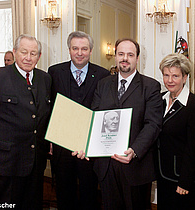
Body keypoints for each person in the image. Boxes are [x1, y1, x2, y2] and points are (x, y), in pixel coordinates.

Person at [76, 38, 163, 210]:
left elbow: (153, 124)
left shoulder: (150, 86)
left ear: (137, 58)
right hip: (106, 166)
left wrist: (134, 150)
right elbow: (95, 118)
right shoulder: (103, 84)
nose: (125, 58)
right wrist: (85, 143)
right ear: (115, 57)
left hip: (135, 166)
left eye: (130, 55)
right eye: (121, 54)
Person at [0, 34, 51, 209]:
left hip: (36, 161)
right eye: (24, 52)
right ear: (15, 52)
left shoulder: (45, 79)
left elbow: (46, 116)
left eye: (33, 53)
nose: (28, 57)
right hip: (7, 162)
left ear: (39, 56)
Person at [48, 31, 110, 210]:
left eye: (84, 48)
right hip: (61, 144)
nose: (79, 53)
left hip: (89, 147)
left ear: (91, 51)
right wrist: (50, 138)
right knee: (63, 191)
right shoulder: (54, 72)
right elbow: (49, 107)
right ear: (69, 50)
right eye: (75, 48)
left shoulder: (103, 75)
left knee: (89, 192)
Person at [156, 53, 195, 209]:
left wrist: (185, 181)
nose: (170, 80)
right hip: (163, 173)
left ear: (185, 77)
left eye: (175, 76)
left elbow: (194, 148)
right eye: (166, 75)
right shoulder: (160, 99)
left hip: (182, 177)